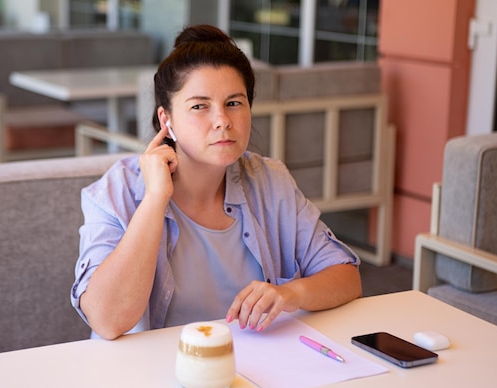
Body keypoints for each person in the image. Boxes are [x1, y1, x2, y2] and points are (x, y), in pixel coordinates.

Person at [71, 24, 362, 340]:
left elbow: (346, 277)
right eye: (200, 106)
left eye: (234, 103)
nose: (222, 120)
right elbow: (107, 320)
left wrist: (292, 293)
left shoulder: (270, 181)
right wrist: (155, 198)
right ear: (166, 120)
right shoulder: (119, 190)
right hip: (151, 376)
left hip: (255, 371)